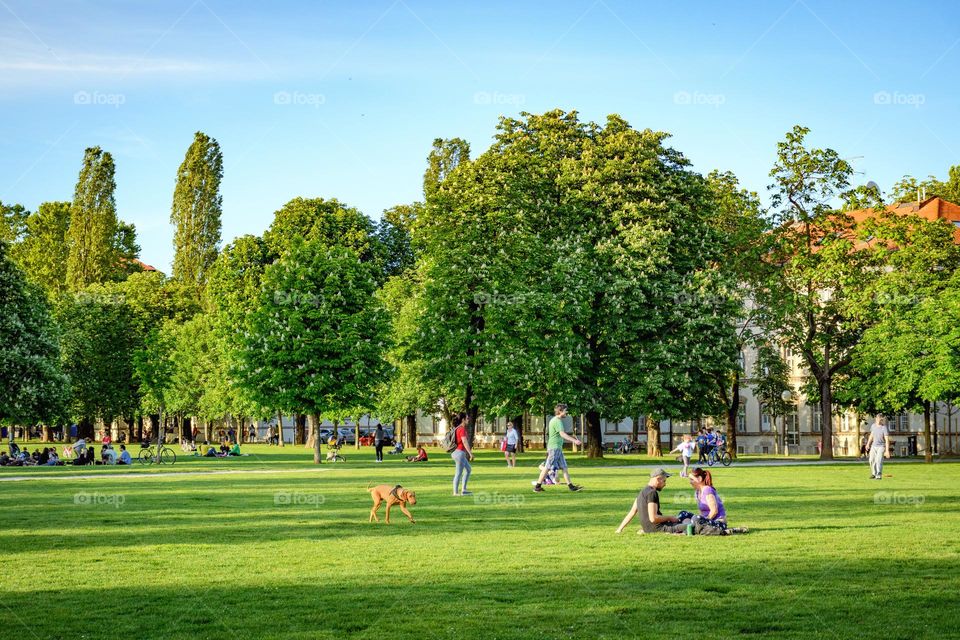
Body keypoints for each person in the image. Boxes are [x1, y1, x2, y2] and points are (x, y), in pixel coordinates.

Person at [616, 468, 686, 534]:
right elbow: (653, 518)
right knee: (690, 526)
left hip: (649, 529)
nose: (665, 484)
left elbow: (632, 511)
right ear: (658, 479)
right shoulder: (652, 493)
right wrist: (669, 518)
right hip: (658, 528)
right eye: (664, 481)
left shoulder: (642, 491)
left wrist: (619, 529)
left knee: (683, 518)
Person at [533, 404, 583, 493]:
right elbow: (562, 434)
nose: (567, 412)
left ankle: (571, 487)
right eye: (565, 411)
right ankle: (537, 486)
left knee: (564, 467)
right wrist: (574, 441)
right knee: (547, 467)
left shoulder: (555, 420)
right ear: (560, 411)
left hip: (557, 448)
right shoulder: (557, 421)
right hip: (554, 448)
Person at [688, 467, 748, 534]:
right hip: (707, 523)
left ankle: (725, 531)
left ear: (699, 479)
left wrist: (704, 521)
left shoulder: (707, 490)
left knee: (696, 519)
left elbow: (714, 511)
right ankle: (698, 529)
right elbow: (701, 512)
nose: (690, 482)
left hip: (718, 522)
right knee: (685, 515)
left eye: (691, 479)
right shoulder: (697, 492)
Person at [450, 414, 474, 496]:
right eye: (467, 418)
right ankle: (455, 492)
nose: (468, 420)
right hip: (459, 453)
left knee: (468, 469)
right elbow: (464, 442)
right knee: (458, 473)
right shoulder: (461, 429)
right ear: (463, 419)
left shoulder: (458, 428)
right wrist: (470, 453)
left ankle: (464, 490)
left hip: (457, 453)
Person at [865, 414, 891, 480]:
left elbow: (887, 440)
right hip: (873, 446)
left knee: (878, 460)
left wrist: (887, 451)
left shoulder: (884, 428)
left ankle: (879, 474)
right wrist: (868, 444)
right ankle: (874, 473)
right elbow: (871, 436)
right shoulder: (873, 426)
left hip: (881, 446)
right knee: (871, 460)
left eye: (881, 419)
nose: (879, 420)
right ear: (876, 418)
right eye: (878, 418)